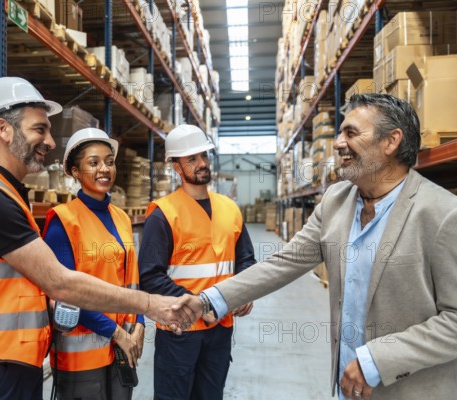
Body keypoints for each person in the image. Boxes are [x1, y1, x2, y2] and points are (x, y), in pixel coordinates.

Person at [180, 94, 457, 400]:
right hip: (346, 388)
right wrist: (209, 300)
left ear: (391, 142)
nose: (338, 143)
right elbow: (284, 262)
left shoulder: (442, 214)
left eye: (351, 133)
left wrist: (377, 359)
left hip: (409, 390)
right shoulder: (337, 202)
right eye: (339, 133)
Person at [0, 77, 195, 399]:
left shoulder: (8, 194)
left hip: (9, 362)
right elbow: (61, 283)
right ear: (3, 129)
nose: (50, 141)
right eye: (39, 129)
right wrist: (152, 304)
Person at [138, 124, 257, 400]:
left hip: (221, 328)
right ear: (177, 168)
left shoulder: (230, 209)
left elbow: (246, 260)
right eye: (191, 159)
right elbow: (150, 276)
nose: (202, 163)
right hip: (180, 330)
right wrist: (199, 306)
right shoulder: (163, 214)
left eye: (203, 155)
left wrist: (246, 293)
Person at [42, 128, 145, 400]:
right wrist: (115, 332)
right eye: (93, 162)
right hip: (81, 359)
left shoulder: (122, 218)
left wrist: (141, 322)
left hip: (123, 349)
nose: (104, 169)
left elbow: (131, 278)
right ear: (75, 172)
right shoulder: (63, 222)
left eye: (109, 162)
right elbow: (64, 293)